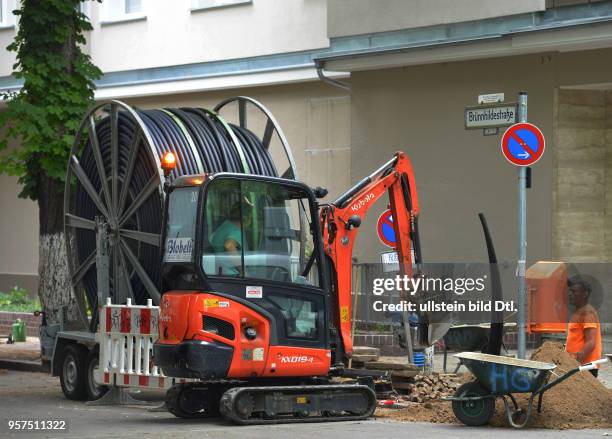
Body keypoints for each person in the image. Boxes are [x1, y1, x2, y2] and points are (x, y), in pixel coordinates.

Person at [565, 276, 602, 377]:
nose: (570, 294)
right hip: (578, 365)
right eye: (569, 291)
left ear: (584, 294)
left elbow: (591, 343)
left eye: (574, 292)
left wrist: (575, 363)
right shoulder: (579, 312)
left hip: (585, 367)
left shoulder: (588, 313)